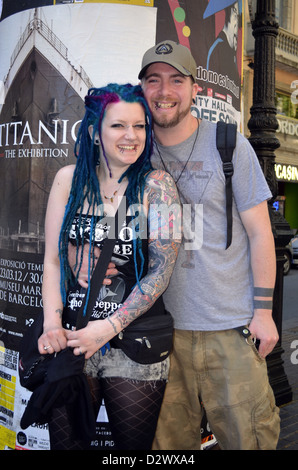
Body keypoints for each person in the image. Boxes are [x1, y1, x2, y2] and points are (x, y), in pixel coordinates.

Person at [137, 40, 281, 450]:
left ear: (194, 88)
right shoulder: (136, 151)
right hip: (161, 334)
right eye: (154, 80)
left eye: (176, 80)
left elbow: (260, 233)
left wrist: (265, 313)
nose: (165, 91)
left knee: (250, 439)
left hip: (230, 328)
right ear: (143, 89)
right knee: (167, 446)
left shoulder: (229, 144)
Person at [37, 83, 181, 450]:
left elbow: (161, 272)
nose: (131, 136)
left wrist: (110, 327)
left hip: (136, 344)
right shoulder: (68, 180)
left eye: (139, 126)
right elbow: (53, 259)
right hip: (74, 337)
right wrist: (53, 326)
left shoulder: (158, 187)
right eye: (118, 126)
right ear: (94, 132)